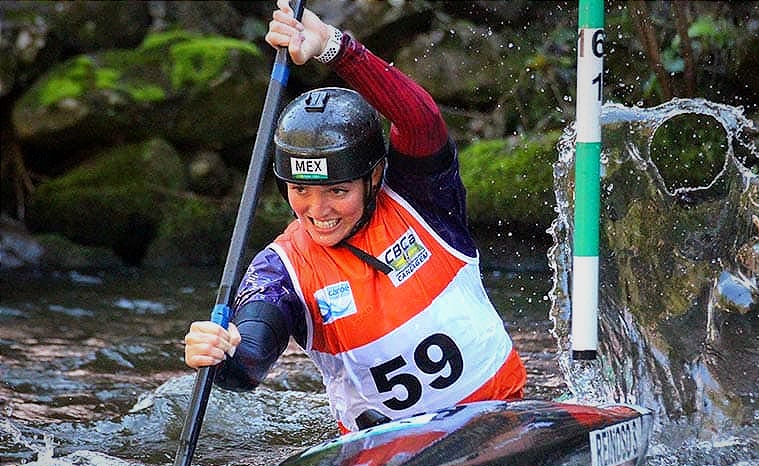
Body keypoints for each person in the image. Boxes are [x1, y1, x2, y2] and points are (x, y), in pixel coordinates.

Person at [184, 0, 526, 434]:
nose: (318, 211)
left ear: (374, 176)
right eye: (300, 190)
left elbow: (420, 121)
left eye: (338, 191)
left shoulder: (421, 201)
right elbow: (252, 355)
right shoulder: (281, 269)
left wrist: (333, 47)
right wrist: (224, 354)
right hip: (387, 460)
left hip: (504, 422)